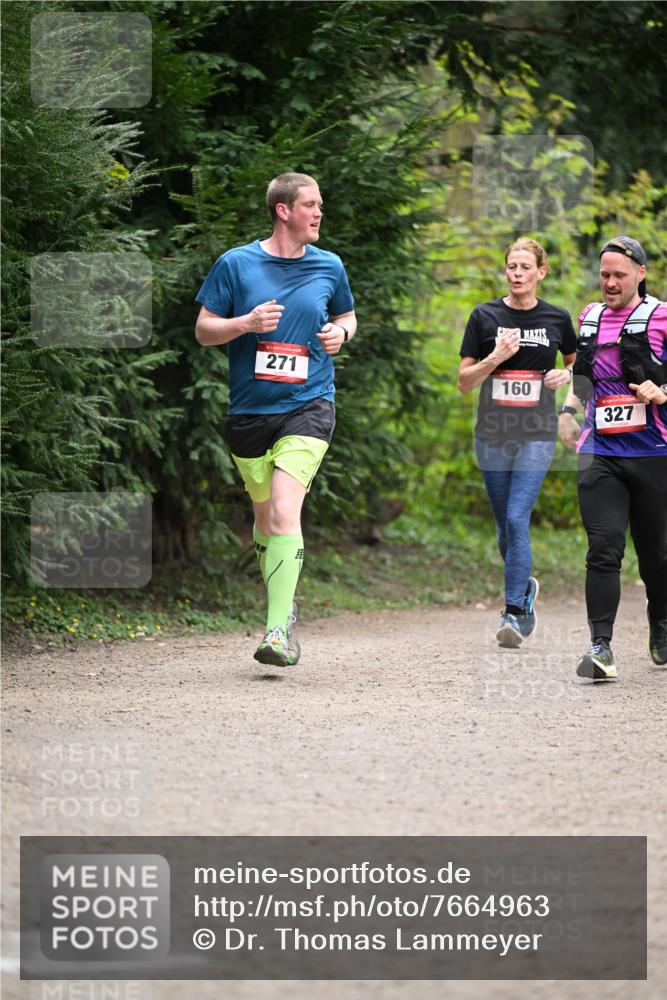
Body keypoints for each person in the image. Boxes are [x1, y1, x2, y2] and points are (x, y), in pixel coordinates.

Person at [194, 172, 356, 667]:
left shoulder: (329, 265)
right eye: (310, 204)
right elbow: (203, 330)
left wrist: (339, 335)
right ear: (283, 210)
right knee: (265, 520)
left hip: (309, 404)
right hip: (249, 411)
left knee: (286, 511)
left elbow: (348, 316)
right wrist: (244, 324)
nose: (319, 212)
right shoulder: (236, 264)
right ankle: (283, 606)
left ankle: (276, 631)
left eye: (320, 204)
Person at [458, 237, 577, 647]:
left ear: (541, 272)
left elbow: (579, 372)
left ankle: (513, 611)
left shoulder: (557, 319)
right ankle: (524, 586)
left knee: (516, 518)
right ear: (505, 271)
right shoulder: (484, 316)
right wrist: (494, 358)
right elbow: (463, 382)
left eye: (526, 267)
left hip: (536, 433)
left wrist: (567, 382)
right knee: (504, 530)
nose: (518, 274)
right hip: (492, 434)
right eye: (512, 266)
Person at [558, 235, 667, 681]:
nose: (610, 282)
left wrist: (662, 392)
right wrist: (568, 409)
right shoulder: (589, 318)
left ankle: (660, 623)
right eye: (604, 274)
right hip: (600, 451)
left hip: (653, 453)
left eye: (619, 275)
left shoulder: (660, 317)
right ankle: (600, 646)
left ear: (640, 274)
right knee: (603, 549)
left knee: (657, 556)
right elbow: (582, 377)